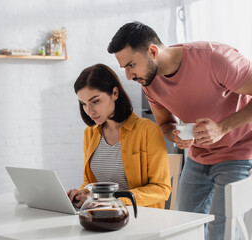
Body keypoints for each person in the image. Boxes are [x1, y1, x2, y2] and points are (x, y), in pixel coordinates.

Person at [107, 21, 252, 240]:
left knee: (220, 232)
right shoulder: (149, 83)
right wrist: (175, 137)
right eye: (124, 68)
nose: (128, 76)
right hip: (197, 158)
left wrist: (222, 128)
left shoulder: (215, 58)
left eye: (131, 65)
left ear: (153, 51)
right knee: (184, 228)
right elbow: (166, 124)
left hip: (237, 152)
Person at [67, 63, 171, 209]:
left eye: (95, 101)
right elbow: (89, 182)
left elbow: (161, 189)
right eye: (83, 104)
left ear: (114, 93)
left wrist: (113, 200)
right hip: (102, 215)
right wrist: (82, 193)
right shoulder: (90, 133)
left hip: (140, 217)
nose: (89, 111)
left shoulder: (147, 130)